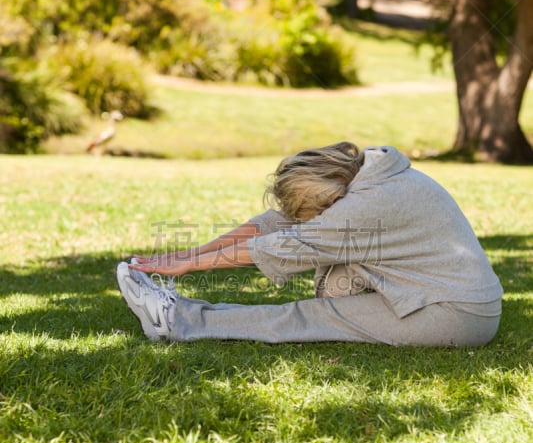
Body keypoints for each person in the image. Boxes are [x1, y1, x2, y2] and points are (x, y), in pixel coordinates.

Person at [116, 142, 503, 346]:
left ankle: (173, 321)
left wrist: (187, 266)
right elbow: (276, 225)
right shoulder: (366, 176)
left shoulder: (369, 204)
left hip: (456, 313)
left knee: (307, 317)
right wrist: (191, 252)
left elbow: (286, 246)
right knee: (323, 297)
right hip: (430, 292)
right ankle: (180, 312)